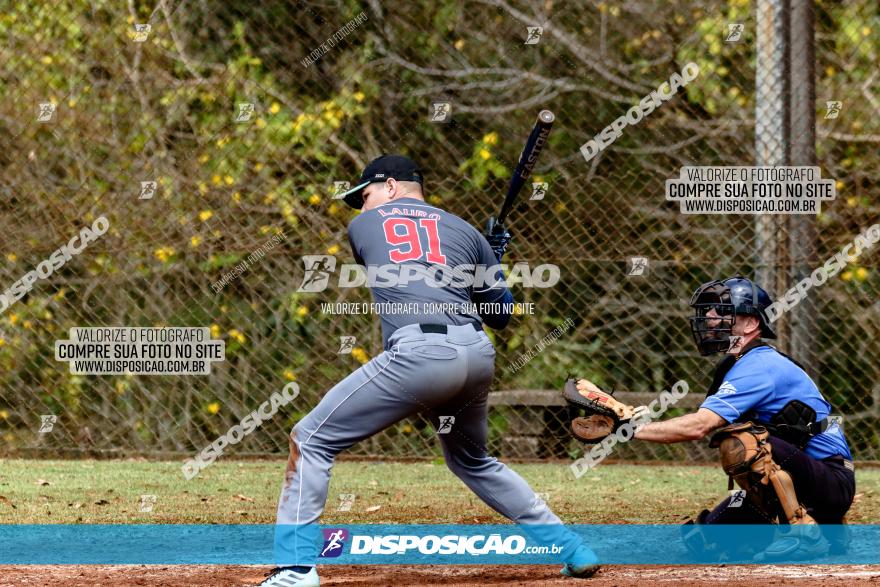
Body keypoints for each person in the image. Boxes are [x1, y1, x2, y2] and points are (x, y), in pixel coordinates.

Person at [258, 154, 598, 586]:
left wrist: (476, 260)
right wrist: (486, 260)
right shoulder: (467, 232)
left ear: (392, 187)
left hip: (420, 355)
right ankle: (573, 549)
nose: (362, 207)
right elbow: (499, 314)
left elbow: (408, 266)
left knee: (310, 439)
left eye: (366, 195)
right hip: (476, 355)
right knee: (473, 460)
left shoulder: (363, 227)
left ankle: (296, 569)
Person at [633, 276, 855, 560]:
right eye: (710, 311)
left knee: (743, 441)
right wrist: (629, 418)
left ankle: (804, 534)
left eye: (723, 311)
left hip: (831, 481)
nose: (710, 317)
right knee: (707, 541)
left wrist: (630, 429)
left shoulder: (759, 365)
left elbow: (700, 426)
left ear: (751, 324)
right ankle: (827, 529)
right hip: (807, 478)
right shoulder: (737, 364)